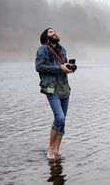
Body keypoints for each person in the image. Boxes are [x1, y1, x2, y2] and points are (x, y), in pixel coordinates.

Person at [35, 28, 73, 160]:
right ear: (46, 37)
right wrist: (59, 68)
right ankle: (50, 149)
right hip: (51, 89)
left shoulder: (62, 49)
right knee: (60, 118)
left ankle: (56, 150)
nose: (54, 33)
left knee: (63, 122)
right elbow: (38, 67)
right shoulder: (42, 50)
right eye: (51, 32)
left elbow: (63, 66)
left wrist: (68, 68)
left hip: (64, 88)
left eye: (55, 31)